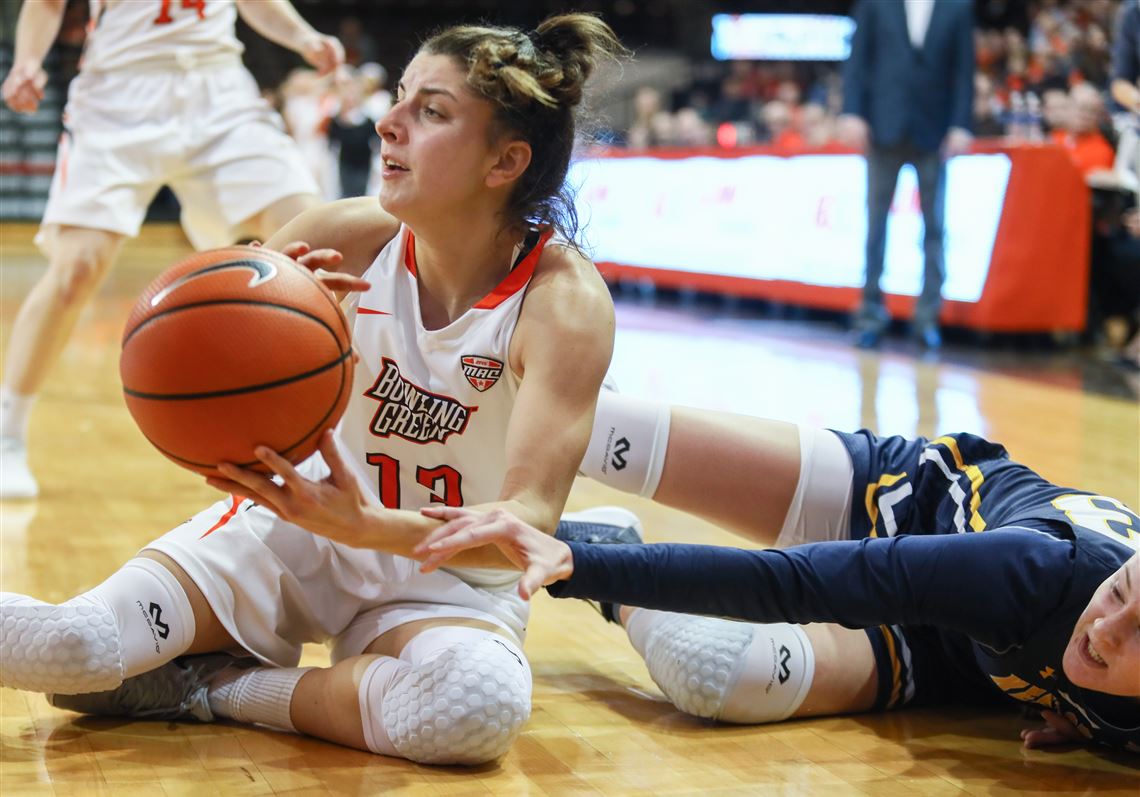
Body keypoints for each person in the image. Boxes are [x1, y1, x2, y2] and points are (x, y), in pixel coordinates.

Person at [0, 14, 623, 766]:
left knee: (472, 709)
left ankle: (212, 687)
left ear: (505, 161)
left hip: (446, 577)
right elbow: (203, 380)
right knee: (69, 645)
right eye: (399, 96)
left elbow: (525, 528)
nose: (388, 122)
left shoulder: (564, 304)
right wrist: (267, 321)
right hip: (291, 532)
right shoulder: (339, 235)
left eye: (430, 111)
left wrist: (372, 527)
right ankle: (195, 668)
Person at [410, 392, 1140, 753]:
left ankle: (604, 539)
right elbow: (790, 582)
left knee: (714, 672)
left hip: (945, 654)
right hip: (907, 512)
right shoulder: (1037, 574)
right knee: (594, 423)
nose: (1106, 628)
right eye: (1119, 593)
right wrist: (578, 567)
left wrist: (1094, 722)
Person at [0, 0, 344, 499]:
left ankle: (326, 432)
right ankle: (8, 431)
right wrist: (28, 62)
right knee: (77, 267)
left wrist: (303, 37)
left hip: (217, 86)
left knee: (314, 237)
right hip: (119, 91)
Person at [838, 0, 975, 350]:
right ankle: (870, 314)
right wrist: (852, 112)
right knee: (875, 226)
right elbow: (857, 60)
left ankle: (927, 318)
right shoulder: (874, 4)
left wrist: (961, 124)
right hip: (883, 125)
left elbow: (964, 70)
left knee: (934, 227)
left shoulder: (958, 8)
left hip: (934, 130)